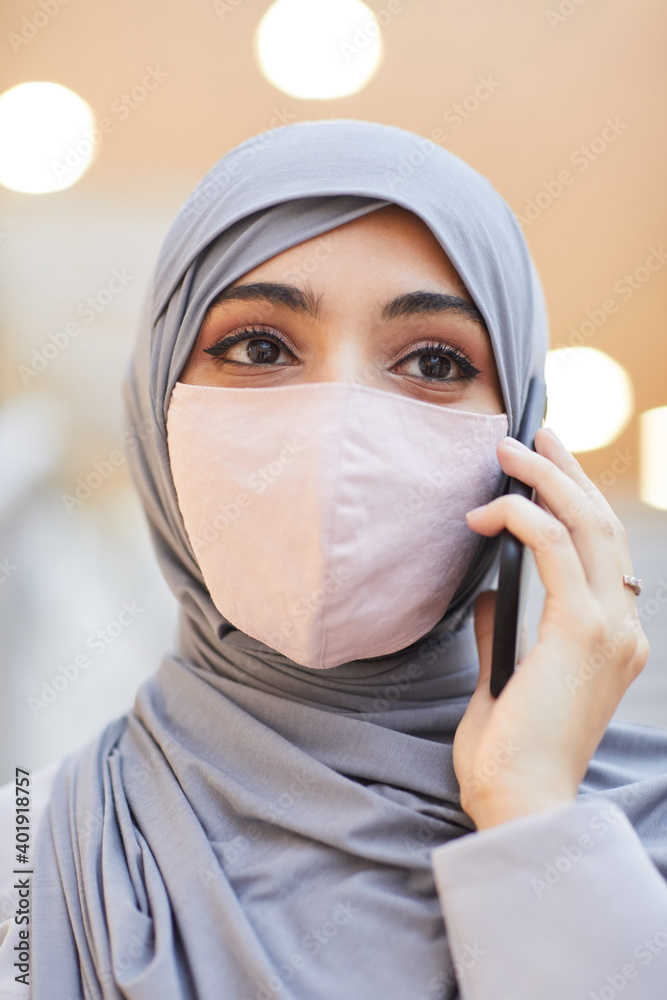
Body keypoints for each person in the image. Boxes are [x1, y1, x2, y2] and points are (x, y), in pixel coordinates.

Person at [1, 118, 666, 999]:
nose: (334, 435)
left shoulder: (640, 845)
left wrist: (533, 816)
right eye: (258, 347)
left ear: (525, 435)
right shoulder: (29, 852)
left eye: (433, 360)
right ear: (157, 410)